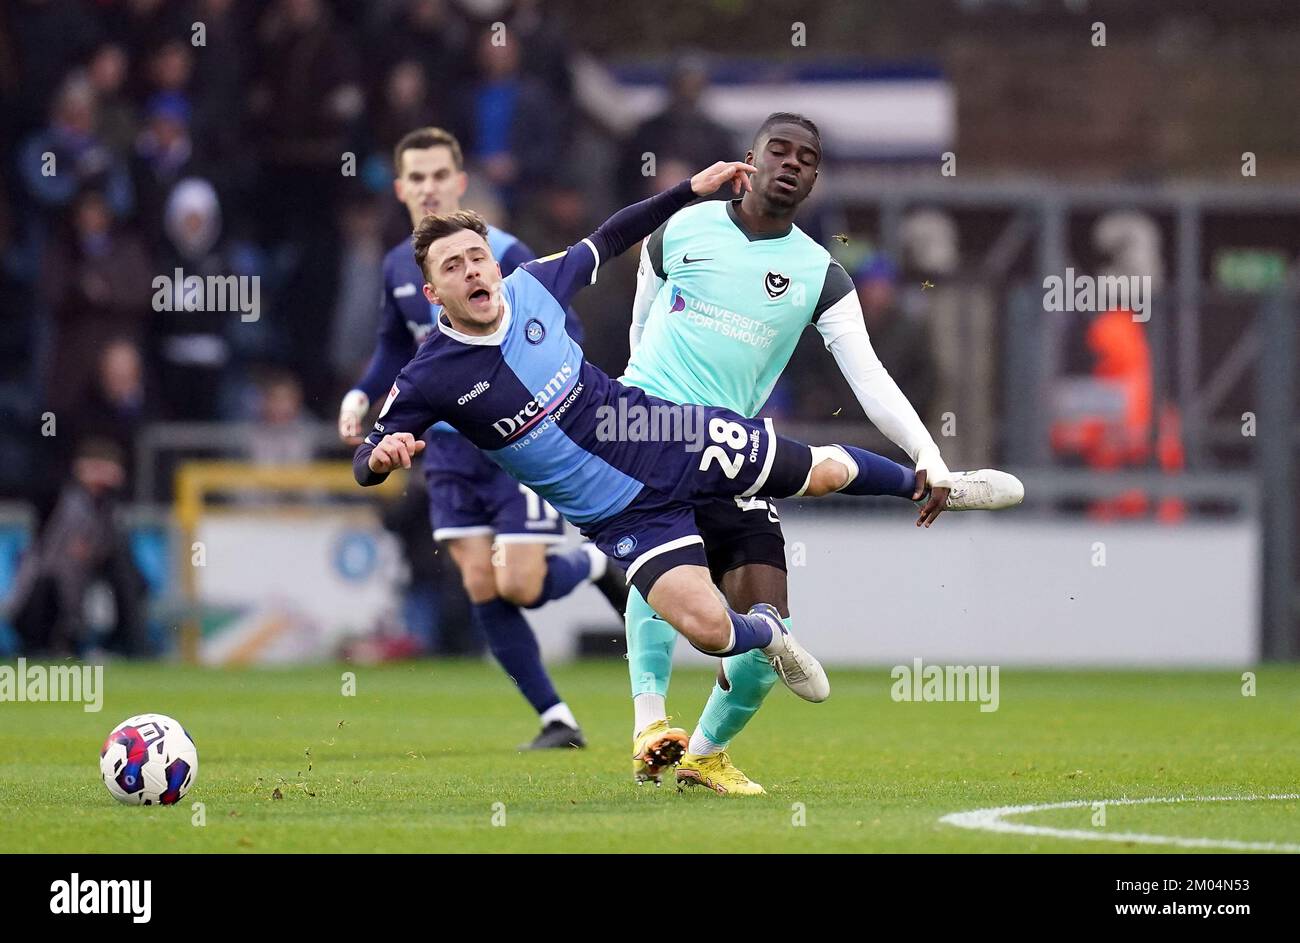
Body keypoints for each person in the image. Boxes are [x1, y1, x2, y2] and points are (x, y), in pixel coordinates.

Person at [351, 163, 1024, 736]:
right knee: (710, 629)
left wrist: (689, 190)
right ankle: (771, 635)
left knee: (815, 471)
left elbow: (611, 235)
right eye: (453, 266)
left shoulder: (532, 283)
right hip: (621, 518)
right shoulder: (429, 375)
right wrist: (378, 458)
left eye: (476, 256)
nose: (474, 270)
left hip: (660, 435)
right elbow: (366, 454)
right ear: (433, 291)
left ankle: (936, 484)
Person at [618, 114, 984, 793]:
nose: (791, 163)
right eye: (778, 150)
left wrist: (929, 453)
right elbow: (642, 323)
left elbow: (868, 375)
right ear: (749, 160)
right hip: (654, 436)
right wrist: (631, 413)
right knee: (666, 573)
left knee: (769, 637)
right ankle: (650, 724)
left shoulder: (820, 273)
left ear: (814, 179)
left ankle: (699, 755)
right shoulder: (681, 229)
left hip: (734, 451)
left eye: (806, 158)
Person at [337, 127, 625, 750]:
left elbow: (560, 324)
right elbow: (394, 346)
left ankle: (595, 563)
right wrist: (364, 394)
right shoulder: (398, 266)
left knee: (520, 583)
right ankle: (557, 718)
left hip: (514, 447)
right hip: (444, 450)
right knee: (477, 580)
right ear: (401, 187)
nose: (428, 187)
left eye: (440, 175)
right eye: (416, 177)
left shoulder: (505, 253)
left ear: (460, 182)